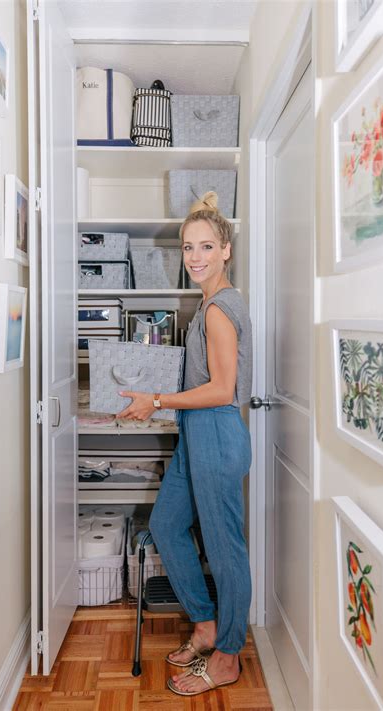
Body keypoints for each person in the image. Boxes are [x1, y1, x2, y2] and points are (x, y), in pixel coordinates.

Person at [117, 191, 253, 697]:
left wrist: (155, 398)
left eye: (206, 247)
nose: (195, 257)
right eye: (188, 248)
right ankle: (206, 623)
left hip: (216, 430)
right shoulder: (209, 304)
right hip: (198, 433)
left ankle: (228, 655)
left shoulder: (219, 309)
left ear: (226, 251)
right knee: (168, 524)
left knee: (225, 551)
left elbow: (222, 389)